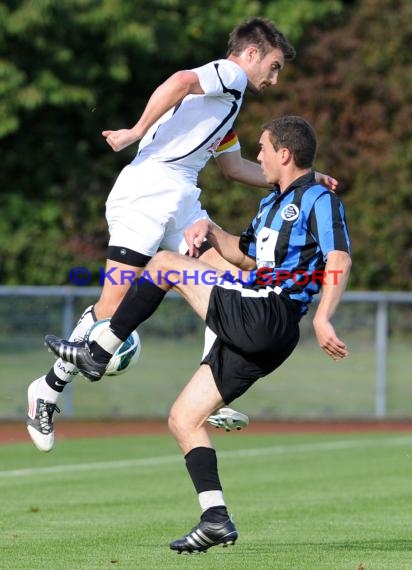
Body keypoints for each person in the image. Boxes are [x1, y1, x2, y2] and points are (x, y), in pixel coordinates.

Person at [27, 17, 337, 452]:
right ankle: (47, 389)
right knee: (111, 305)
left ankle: (207, 394)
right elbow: (180, 80)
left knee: (233, 276)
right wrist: (135, 132)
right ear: (251, 55)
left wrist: (304, 177)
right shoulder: (230, 77)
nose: (275, 75)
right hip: (149, 191)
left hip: (180, 197)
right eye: (274, 64)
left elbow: (233, 169)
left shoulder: (224, 107)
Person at [45, 115, 352, 553]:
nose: (257, 156)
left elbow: (338, 256)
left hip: (269, 313)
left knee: (165, 264)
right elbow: (244, 257)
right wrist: (209, 229)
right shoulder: (269, 204)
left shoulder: (318, 198)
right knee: (183, 419)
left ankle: (99, 350)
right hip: (263, 324)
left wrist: (324, 316)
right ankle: (215, 519)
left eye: (263, 148)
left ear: (285, 154)